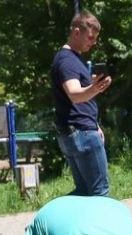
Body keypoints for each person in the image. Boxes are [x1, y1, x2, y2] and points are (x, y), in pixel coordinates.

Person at [51, 11, 113, 197]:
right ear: (76, 32)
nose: (93, 42)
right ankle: (55, 217)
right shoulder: (66, 60)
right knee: (99, 192)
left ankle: (58, 220)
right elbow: (75, 95)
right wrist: (97, 88)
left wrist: (95, 124)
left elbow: (79, 90)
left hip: (79, 130)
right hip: (82, 133)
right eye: (90, 37)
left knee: (84, 192)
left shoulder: (74, 59)